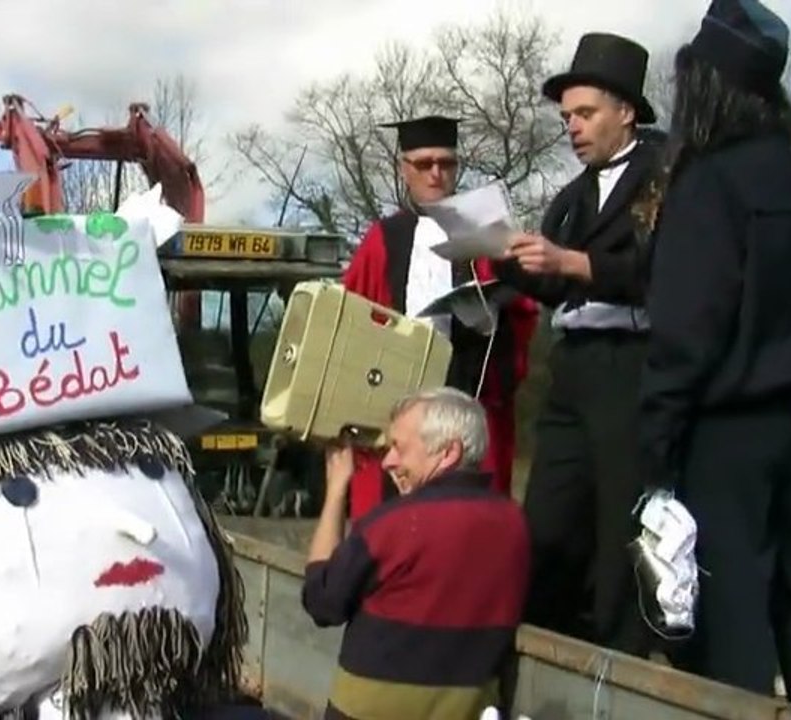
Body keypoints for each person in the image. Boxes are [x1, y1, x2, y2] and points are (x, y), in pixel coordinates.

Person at [637, 2, 791, 718]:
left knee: (733, 629)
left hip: (727, 435)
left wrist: (657, 445)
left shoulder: (710, 183)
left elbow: (686, 330)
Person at [494, 32, 662, 655]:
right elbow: (553, 285)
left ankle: (617, 663)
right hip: (573, 365)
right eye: (567, 117)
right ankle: (542, 647)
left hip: (632, 364)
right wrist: (508, 260)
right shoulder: (571, 196)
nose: (573, 128)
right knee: (547, 516)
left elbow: (662, 271)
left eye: (586, 113)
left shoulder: (664, 174)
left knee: (621, 515)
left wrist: (572, 262)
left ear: (627, 109)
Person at [342, 115, 537, 518]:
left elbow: (522, 316)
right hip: (394, 407)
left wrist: (494, 314)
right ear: (403, 168)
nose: (436, 173)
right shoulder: (382, 240)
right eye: (424, 164)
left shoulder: (485, 234)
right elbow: (351, 321)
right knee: (389, 525)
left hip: (465, 400)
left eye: (446, 164)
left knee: (468, 526)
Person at [301, 388, 529, 720]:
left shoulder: (391, 524)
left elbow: (322, 603)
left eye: (399, 448)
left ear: (448, 452)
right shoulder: (516, 525)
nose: (388, 461)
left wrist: (336, 488)